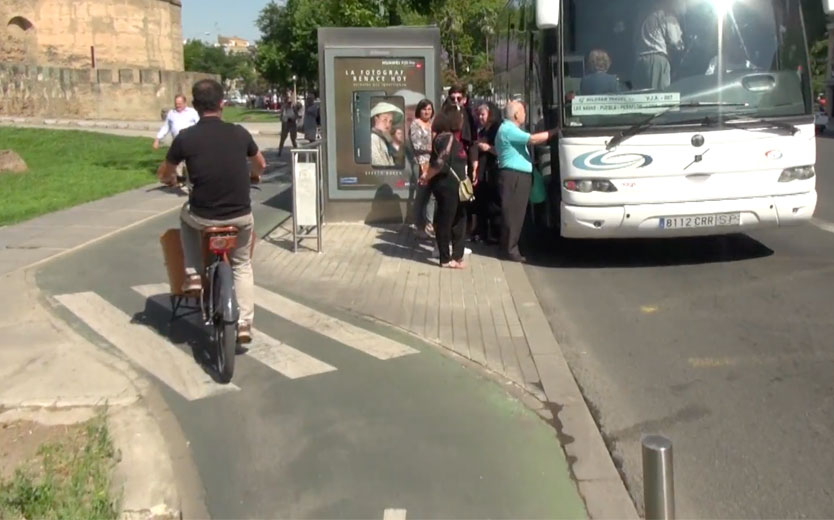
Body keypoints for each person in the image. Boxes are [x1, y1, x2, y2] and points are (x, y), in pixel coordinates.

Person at [156, 79, 267, 344]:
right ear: (222, 104)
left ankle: (193, 274)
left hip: (202, 216)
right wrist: (253, 175)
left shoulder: (185, 138)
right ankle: (244, 323)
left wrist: (170, 180)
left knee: (185, 217)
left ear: (195, 106)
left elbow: (165, 172)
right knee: (241, 264)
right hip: (240, 216)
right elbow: (260, 164)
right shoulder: (240, 133)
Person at [494, 100, 554, 263]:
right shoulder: (508, 129)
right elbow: (532, 139)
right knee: (514, 214)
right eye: (523, 112)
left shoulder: (508, 128)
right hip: (514, 176)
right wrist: (554, 132)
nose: (525, 115)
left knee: (515, 213)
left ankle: (508, 247)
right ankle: (510, 250)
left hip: (516, 175)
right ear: (516, 115)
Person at [421, 104, 471, 269]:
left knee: (460, 220)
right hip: (446, 185)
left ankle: (457, 257)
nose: (462, 120)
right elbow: (440, 162)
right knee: (446, 220)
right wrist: (426, 176)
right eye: (460, 117)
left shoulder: (452, 137)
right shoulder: (445, 137)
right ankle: (445, 258)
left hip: (457, 186)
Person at [631, 0, 685, 90]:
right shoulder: (667, 16)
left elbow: (634, 39)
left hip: (639, 62)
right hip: (657, 60)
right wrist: (681, 44)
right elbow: (675, 41)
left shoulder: (644, 18)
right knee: (658, 94)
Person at [470, 102, 502, 244]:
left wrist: (488, 148)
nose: (480, 117)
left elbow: (502, 150)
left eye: (483, 114)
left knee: (494, 203)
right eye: (479, 115)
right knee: (481, 202)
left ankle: (496, 233)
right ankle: (481, 232)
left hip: (494, 170)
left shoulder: (497, 129)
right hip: (483, 172)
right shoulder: (481, 131)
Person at [153, 94, 200, 187]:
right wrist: (157, 139)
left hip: (190, 141)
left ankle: (191, 182)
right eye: (176, 104)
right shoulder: (171, 113)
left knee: (189, 163)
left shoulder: (192, 112)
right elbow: (166, 127)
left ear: (185, 103)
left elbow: (199, 125)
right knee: (177, 163)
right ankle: (181, 181)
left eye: (180, 103)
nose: (178, 106)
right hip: (177, 142)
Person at [409, 99, 436, 237]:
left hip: (432, 164)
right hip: (420, 163)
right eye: (424, 109)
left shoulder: (433, 124)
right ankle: (418, 225)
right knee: (421, 194)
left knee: (431, 195)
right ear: (419, 110)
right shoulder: (415, 124)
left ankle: (429, 224)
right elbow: (417, 145)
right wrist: (433, 147)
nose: (427, 112)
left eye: (429, 109)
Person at [370, 101, 403, 166]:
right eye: (385, 120)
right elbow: (379, 164)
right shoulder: (373, 138)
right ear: (376, 119)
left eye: (390, 121)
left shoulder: (383, 139)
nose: (388, 125)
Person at [278, 91, 301, 156]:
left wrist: (294, 118)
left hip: (292, 124)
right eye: (287, 98)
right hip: (285, 124)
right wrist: (284, 119)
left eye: (289, 98)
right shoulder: (283, 107)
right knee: (282, 138)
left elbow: (297, 115)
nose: (288, 101)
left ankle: (296, 152)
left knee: (293, 139)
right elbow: (281, 117)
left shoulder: (294, 106)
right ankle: (279, 151)